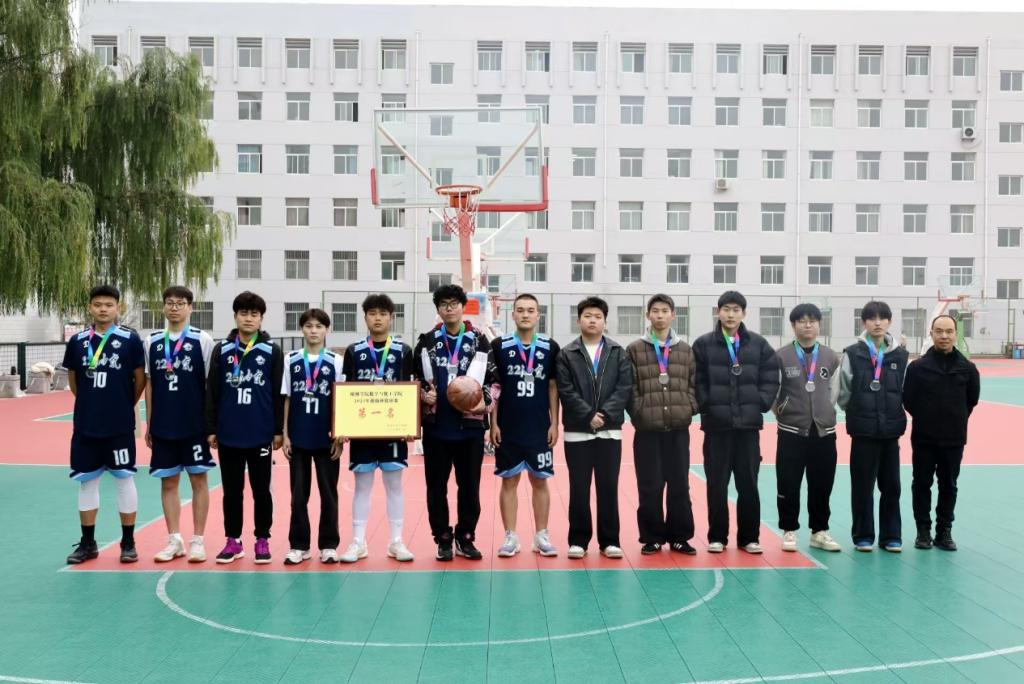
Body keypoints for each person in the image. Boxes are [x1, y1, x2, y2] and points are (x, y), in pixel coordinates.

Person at [64, 284, 147, 564]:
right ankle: (88, 543)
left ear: (117, 308)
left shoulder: (130, 339)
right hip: (86, 425)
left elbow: (139, 378)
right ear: (90, 307)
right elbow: (74, 380)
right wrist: (90, 403)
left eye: (108, 305)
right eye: (98, 304)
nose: (103, 309)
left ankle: (128, 542)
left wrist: (123, 404)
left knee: (124, 479)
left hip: (118, 426)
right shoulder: (77, 341)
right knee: (87, 483)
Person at [692, 291, 780, 555]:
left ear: (744, 313)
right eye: (726, 309)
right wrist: (707, 403)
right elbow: (697, 380)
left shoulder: (759, 344)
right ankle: (717, 536)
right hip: (716, 428)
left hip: (748, 429)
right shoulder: (703, 345)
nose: (730, 315)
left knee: (748, 485)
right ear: (718, 312)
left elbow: (770, 378)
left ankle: (749, 537)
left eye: (736, 310)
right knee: (716, 485)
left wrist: (761, 402)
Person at [413, 284, 492, 562]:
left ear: (463, 306)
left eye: (454, 303)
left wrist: (485, 403)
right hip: (437, 428)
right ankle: (443, 539)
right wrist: (423, 395)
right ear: (438, 309)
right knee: (436, 488)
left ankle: (466, 537)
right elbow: (414, 380)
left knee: (469, 488)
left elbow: (493, 381)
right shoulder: (426, 341)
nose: (449, 309)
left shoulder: (480, 340)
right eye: (444, 304)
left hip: (470, 429)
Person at [206, 291, 285, 564]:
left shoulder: (272, 351)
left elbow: (278, 394)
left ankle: (262, 539)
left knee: (262, 491)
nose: (248, 318)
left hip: (261, 433)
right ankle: (233, 540)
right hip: (229, 433)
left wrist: (278, 430)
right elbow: (212, 391)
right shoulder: (222, 350)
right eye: (244, 313)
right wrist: (211, 428)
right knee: (232, 492)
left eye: (254, 314)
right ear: (235, 316)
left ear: (261, 319)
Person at [339, 294, 416, 563]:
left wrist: (411, 424)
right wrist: (343, 425)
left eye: (383, 313)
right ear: (365, 318)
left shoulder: (404, 351)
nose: (378, 318)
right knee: (362, 486)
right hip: (363, 430)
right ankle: (358, 541)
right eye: (372, 313)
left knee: (394, 485)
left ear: (391, 318)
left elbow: (409, 389)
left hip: (393, 429)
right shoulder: (354, 351)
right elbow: (346, 390)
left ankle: (396, 541)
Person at [555, 296, 632, 560]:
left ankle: (610, 541)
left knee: (608, 487)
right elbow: (565, 390)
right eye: (587, 316)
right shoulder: (566, 353)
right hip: (577, 432)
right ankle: (578, 540)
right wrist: (588, 415)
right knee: (579, 488)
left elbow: (624, 387)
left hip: (610, 431)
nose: (592, 320)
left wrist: (605, 414)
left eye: (598, 317)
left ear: (605, 322)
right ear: (578, 321)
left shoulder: (618, 351)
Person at [145, 285, 216, 563]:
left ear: (190, 307)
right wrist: (149, 423)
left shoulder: (202, 340)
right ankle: (174, 540)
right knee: (168, 482)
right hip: (164, 425)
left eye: (180, 303)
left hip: (194, 425)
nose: (174, 307)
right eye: (170, 303)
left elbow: (210, 385)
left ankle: (198, 540)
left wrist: (210, 425)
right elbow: (150, 384)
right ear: (163, 306)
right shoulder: (152, 341)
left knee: (199, 480)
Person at [626, 294, 698, 556]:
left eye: (664, 310)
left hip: (678, 429)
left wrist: (689, 406)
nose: (659, 315)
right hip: (647, 430)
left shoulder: (685, 350)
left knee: (679, 484)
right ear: (648, 315)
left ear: (673, 315)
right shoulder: (634, 349)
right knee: (650, 485)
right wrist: (639, 412)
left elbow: (694, 384)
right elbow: (630, 387)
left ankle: (680, 537)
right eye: (655, 311)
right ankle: (652, 537)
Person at [490, 293, 561, 558]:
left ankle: (541, 535)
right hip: (508, 426)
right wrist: (493, 423)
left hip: (539, 427)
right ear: (513, 314)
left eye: (531, 310)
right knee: (509, 480)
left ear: (538, 315)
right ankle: (510, 536)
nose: (525, 314)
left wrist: (555, 423)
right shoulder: (499, 345)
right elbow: (495, 388)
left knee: (540, 480)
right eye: (520, 310)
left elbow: (552, 386)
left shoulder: (550, 346)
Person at [904, 314, 980, 552]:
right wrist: (928, 417)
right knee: (921, 484)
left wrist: (953, 419)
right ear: (931, 334)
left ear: (956, 334)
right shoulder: (917, 368)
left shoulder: (968, 369)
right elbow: (909, 400)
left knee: (949, 485)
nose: (944, 336)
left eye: (949, 331)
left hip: (954, 439)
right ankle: (923, 531)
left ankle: (944, 531)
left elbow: (971, 400)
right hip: (924, 438)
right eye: (939, 331)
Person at [837, 301, 909, 553]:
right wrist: (857, 411)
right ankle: (863, 535)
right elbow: (843, 390)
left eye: (882, 318)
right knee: (862, 486)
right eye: (872, 318)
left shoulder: (900, 355)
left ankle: (891, 536)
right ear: (864, 322)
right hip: (863, 431)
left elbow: (904, 390)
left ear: (889, 321)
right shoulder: (852, 353)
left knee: (892, 486)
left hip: (890, 431)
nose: (877, 323)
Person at [772, 303, 842, 553]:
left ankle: (819, 531)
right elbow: (774, 392)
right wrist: (784, 411)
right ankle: (789, 530)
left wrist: (824, 412)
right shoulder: (781, 356)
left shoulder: (830, 356)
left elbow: (834, 391)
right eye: (802, 321)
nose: (807, 325)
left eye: (812, 320)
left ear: (819, 325)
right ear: (793, 325)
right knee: (788, 482)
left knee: (822, 483)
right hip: (791, 431)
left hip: (823, 432)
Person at [281, 308, 342, 565]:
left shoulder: (336, 361)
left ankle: (328, 545)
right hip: (298, 437)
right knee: (298, 496)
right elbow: (287, 397)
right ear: (302, 329)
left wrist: (339, 436)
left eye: (318, 326)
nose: (313, 330)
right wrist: (285, 434)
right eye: (309, 326)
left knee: (329, 494)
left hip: (326, 438)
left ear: (327, 330)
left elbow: (342, 399)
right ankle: (299, 545)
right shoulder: (291, 359)